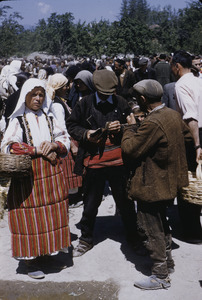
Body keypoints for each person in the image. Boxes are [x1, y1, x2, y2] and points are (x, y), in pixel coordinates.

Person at [121, 79, 192, 290]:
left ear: (143, 99)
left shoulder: (152, 123)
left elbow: (130, 149)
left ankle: (160, 275)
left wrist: (131, 128)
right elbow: (187, 138)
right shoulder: (172, 114)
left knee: (150, 228)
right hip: (168, 181)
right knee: (162, 224)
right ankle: (167, 263)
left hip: (151, 184)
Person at [1, 78, 71, 279]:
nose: (38, 99)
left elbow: (64, 137)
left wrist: (55, 146)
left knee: (51, 214)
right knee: (29, 218)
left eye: (41, 95)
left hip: (50, 176)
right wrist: (36, 150)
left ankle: (46, 252)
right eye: (34, 95)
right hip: (28, 177)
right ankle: (30, 262)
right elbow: (8, 145)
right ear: (26, 96)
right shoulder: (18, 120)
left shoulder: (49, 118)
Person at [66, 69, 138, 257]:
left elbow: (132, 127)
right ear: (96, 89)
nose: (107, 97)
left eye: (110, 94)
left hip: (118, 163)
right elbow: (72, 125)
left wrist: (123, 127)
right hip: (94, 162)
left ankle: (133, 237)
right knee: (90, 203)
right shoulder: (85, 104)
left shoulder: (121, 103)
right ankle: (86, 238)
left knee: (125, 202)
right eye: (104, 94)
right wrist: (86, 134)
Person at [171, 50, 202, 243]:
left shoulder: (181, 84)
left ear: (177, 66)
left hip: (194, 135)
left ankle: (193, 232)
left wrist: (197, 144)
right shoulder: (199, 79)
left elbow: (190, 117)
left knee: (188, 180)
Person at [46, 73, 83, 208]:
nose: (68, 88)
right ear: (60, 87)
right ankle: (71, 200)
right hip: (66, 140)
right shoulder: (57, 105)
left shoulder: (60, 101)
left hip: (68, 139)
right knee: (69, 170)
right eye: (65, 86)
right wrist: (71, 144)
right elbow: (62, 127)